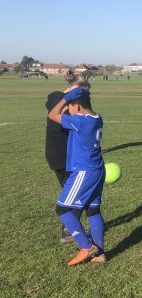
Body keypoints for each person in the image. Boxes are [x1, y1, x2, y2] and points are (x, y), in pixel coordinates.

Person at [47, 86, 107, 266]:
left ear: (77, 107)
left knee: (63, 209)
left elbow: (53, 115)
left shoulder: (80, 121)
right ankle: (100, 254)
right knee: (93, 210)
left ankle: (86, 247)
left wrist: (65, 99)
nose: (68, 111)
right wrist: (72, 99)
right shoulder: (97, 118)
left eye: (70, 108)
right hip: (97, 169)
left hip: (84, 170)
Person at [45, 73, 89, 243]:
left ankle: (70, 229)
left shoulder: (69, 104)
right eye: (81, 93)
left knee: (78, 194)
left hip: (67, 157)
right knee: (76, 195)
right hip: (62, 158)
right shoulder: (58, 99)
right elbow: (56, 108)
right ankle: (68, 231)